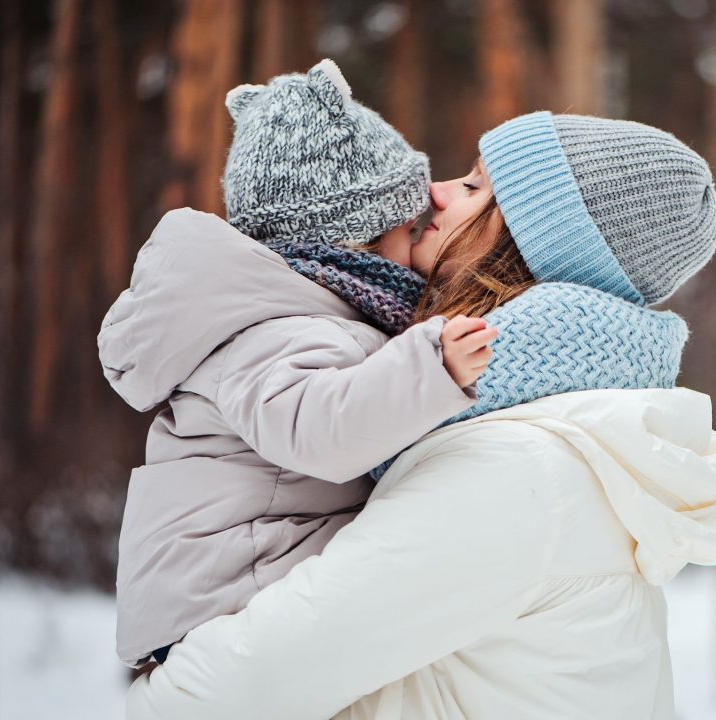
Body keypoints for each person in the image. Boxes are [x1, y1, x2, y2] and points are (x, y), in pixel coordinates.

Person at [125, 110, 716, 720]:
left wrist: (154, 688)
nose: (435, 191)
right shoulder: (551, 435)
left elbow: (211, 700)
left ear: (531, 243)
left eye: (476, 186)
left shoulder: (514, 467)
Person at [98, 59, 497, 668]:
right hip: (234, 595)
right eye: (406, 227)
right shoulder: (284, 328)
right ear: (356, 236)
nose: (417, 241)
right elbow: (318, 433)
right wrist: (429, 368)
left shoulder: (291, 309)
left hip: (235, 582)